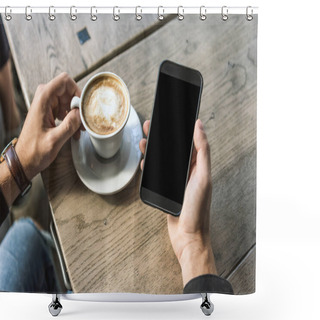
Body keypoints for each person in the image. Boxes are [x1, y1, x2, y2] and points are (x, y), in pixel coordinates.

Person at [0, 73, 233, 294]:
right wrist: (195, 243)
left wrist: (19, 163)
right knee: (26, 235)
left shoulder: (129, 123)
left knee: (25, 233)